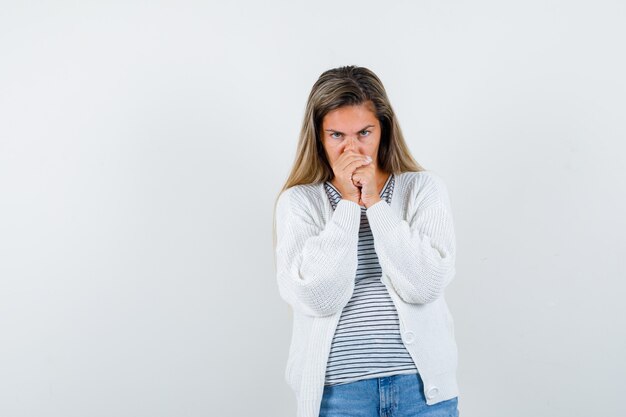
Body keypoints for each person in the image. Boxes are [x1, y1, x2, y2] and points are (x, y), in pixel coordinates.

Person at [272, 65, 459, 417]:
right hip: (340, 398)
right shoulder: (299, 203)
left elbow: (425, 284)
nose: (352, 148)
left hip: (421, 393)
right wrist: (346, 203)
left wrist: (375, 203)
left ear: (383, 130)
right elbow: (318, 296)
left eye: (363, 132)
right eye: (337, 136)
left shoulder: (423, 190)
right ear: (319, 137)